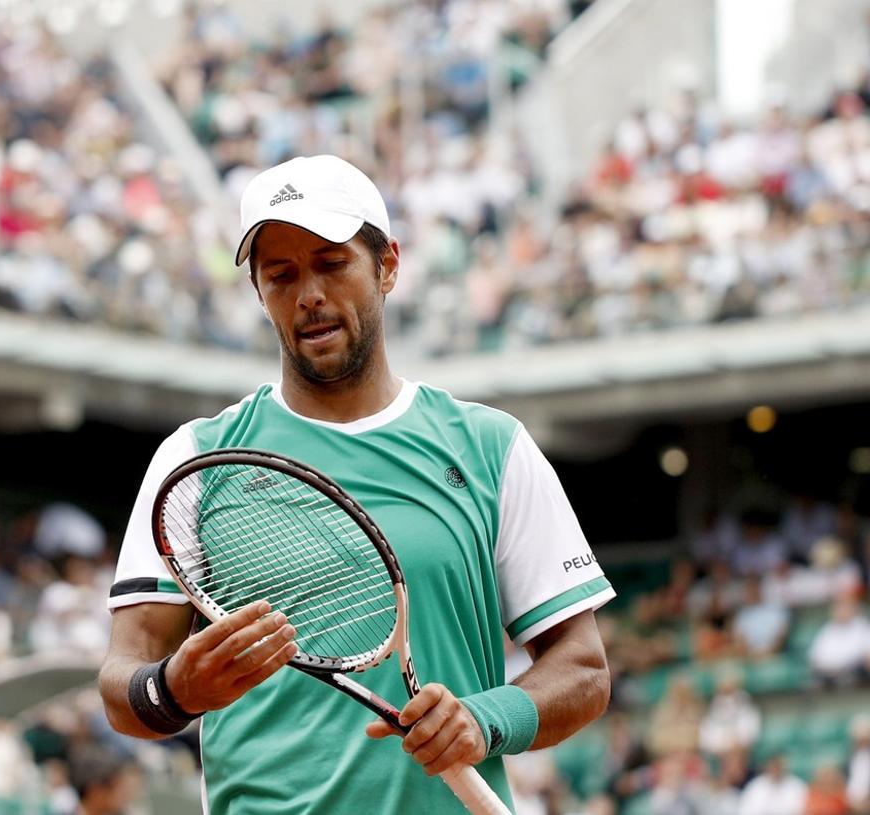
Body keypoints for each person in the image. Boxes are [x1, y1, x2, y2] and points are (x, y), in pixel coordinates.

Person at [98, 155, 614, 813]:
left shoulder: (493, 448)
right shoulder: (195, 456)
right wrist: (173, 689)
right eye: (280, 275)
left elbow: (584, 668)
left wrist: (486, 719)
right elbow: (122, 682)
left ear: (388, 265)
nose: (308, 293)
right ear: (260, 293)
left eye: (331, 262)